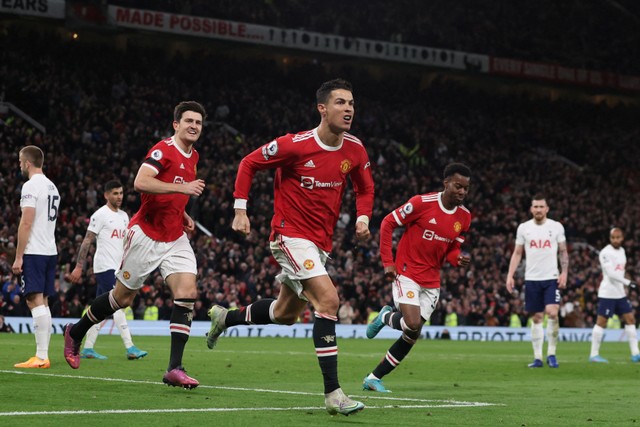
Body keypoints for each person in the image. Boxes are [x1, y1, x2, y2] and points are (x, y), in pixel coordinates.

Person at [207, 78, 373, 416]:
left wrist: (364, 219)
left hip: (320, 243)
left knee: (285, 314)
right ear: (322, 108)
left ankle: (227, 318)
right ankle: (334, 394)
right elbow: (248, 163)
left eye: (352, 103)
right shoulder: (295, 145)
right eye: (341, 103)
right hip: (289, 234)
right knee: (328, 300)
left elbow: (365, 188)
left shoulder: (354, 149)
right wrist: (240, 209)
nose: (349, 109)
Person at [63, 101, 207, 389]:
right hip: (146, 234)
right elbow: (141, 182)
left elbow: (171, 190)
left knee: (187, 292)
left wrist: (184, 213)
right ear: (175, 124)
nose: (194, 126)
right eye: (188, 121)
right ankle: (76, 332)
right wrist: (183, 189)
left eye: (199, 123)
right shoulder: (163, 149)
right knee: (122, 299)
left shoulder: (194, 155)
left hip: (174, 235)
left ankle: (174, 369)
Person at [362, 162, 472, 392]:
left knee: (413, 334)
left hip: (432, 280)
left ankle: (373, 377)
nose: (462, 192)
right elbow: (387, 223)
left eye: (466, 189)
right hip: (407, 271)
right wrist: (387, 262)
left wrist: (457, 258)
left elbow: (452, 248)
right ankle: (385, 318)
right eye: (458, 186)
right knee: (411, 323)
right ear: (446, 183)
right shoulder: (421, 203)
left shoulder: (465, 217)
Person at [68, 180, 148, 361]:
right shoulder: (100, 215)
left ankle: (88, 347)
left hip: (118, 268)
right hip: (105, 267)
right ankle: (130, 347)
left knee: (100, 308)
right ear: (106, 195)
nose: (119, 196)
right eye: (115, 193)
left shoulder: (124, 216)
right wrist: (79, 266)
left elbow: (126, 243)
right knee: (118, 303)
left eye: (121, 193)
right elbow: (87, 240)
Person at [506, 194, 568, 368]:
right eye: (536, 207)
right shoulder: (524, 228)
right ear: (531, 209)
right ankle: (538, 357)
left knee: (552, 313)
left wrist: (564, 272)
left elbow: (563, 251)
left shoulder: (556, 227)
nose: (539, 209)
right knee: (537, 317)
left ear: (547, 209)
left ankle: (552, 354)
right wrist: (510, 275)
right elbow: (517, 253)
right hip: (532, 278)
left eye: (542, 206)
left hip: (551, 278)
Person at [12, 145, 60, 368]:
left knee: (33, 299)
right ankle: (43, 355)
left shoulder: (31, 186)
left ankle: (41, 357)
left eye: (21, 161)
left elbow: (27, 221)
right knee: (44, 302)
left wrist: (18, 256)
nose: (20, 165)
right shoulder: (52, 186)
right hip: (50, 250)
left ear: (28, 163)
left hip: (35, 251)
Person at [589, 227, 640, 363]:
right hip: (608, 293)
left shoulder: (622, 251)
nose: (616, 240)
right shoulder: (605, 253)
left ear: (622, 238)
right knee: (601, 322)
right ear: (610, 238)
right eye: (613, 238)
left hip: (620, 293)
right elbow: (611, 274)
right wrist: (628, 282)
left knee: (630, 319)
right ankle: (594, 355)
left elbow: (620, 271)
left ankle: (636, 354)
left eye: (618, 237)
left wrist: (625, 284)